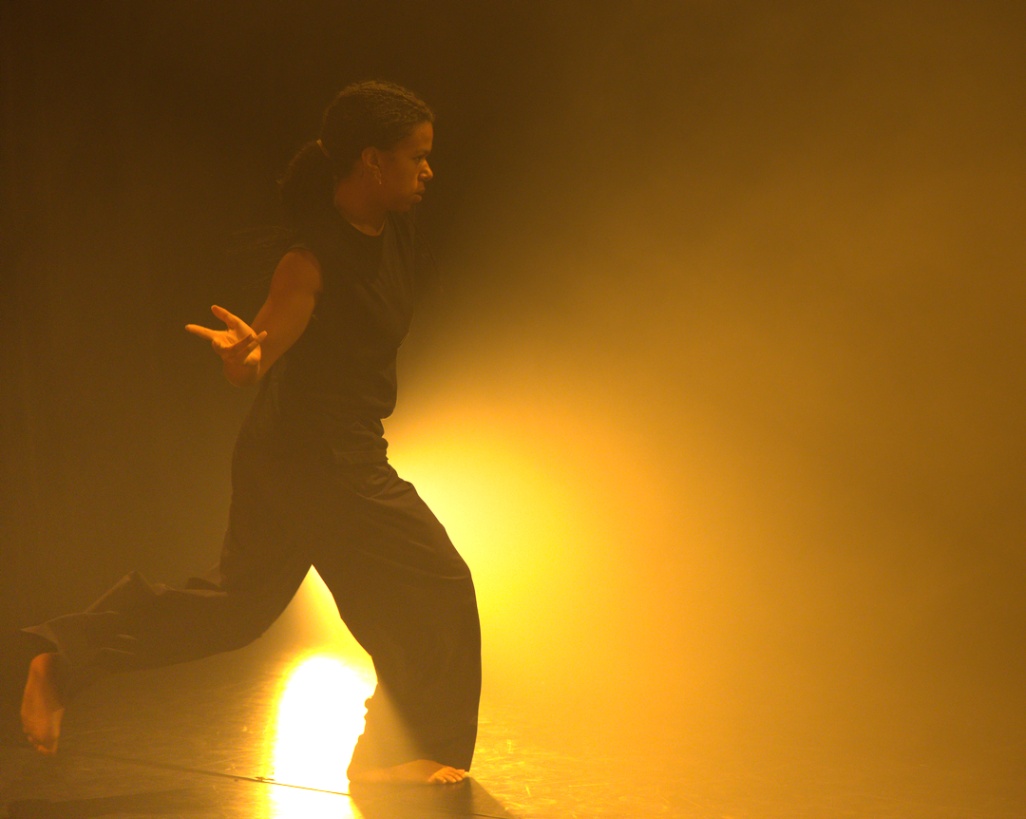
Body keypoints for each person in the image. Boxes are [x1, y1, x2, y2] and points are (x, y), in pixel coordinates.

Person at [9, 80, 481, 786]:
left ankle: (61, 658)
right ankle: (395, 750)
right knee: (437, 583)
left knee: (236, 611)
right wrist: (246, 359)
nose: (428, 171)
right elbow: (262, 351)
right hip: (317, 458)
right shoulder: (309, 261)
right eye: (417, 156)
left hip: (319, 452)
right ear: (372, 161)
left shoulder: (395, 230)